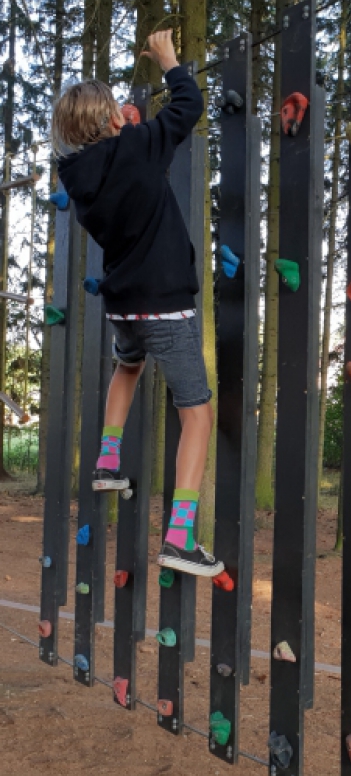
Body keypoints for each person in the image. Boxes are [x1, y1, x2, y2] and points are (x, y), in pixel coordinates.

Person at [52, 30, 223, 578]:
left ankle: (107, 461)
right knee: (196, 412)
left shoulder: (76, 176)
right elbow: (187, 106)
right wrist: (170, 61)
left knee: (127, 365)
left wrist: (121, 127)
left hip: (123, 306)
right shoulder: (139, 145)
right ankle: (178, 536)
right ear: (111, 120)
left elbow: (121, 156)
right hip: (166, 306)